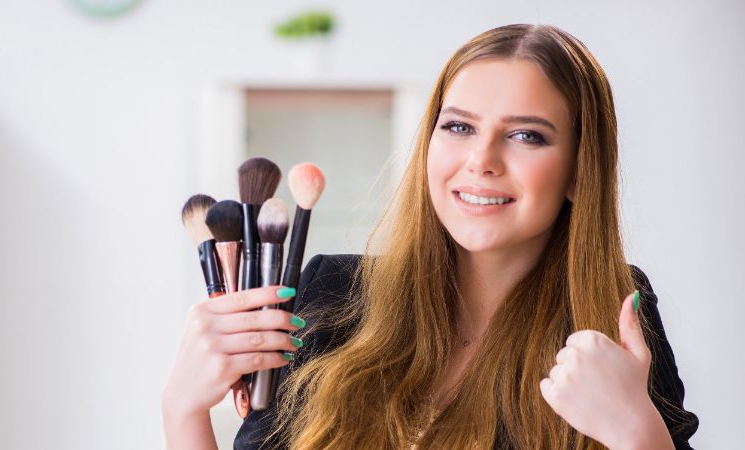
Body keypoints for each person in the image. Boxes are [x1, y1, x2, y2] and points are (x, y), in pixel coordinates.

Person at [161, 23, 699, 449]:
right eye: (459, 126)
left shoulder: (613, 313)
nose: (480, 161)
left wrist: (638, 435)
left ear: (580, 171)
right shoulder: (329, 292)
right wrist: (182, 410)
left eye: (525, 135)